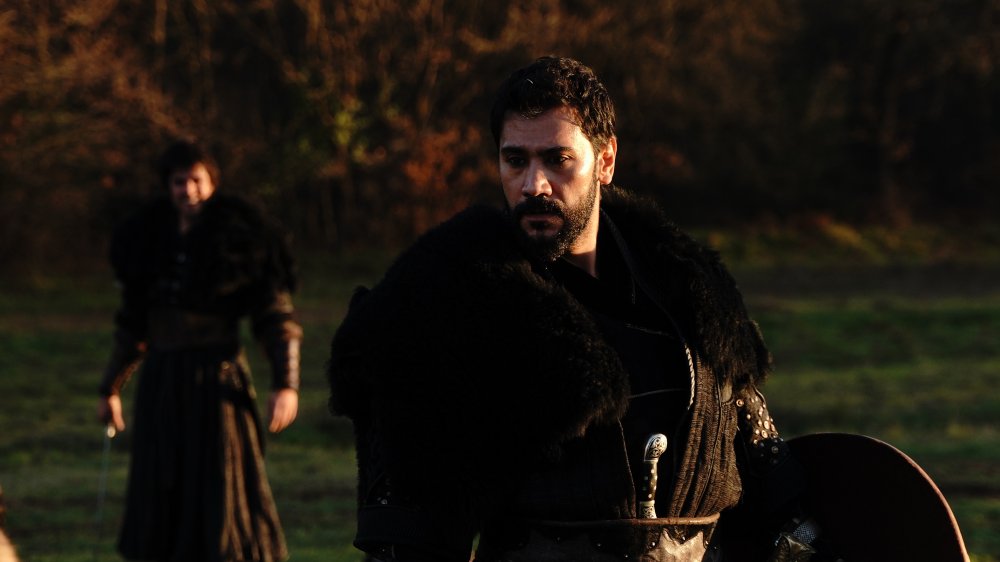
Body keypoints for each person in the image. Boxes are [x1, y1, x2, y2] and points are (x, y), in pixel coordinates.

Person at [327, 57, 819, 561]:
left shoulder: (687, 289)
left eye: (557, 159)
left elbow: (764, 460)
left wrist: (807, 535)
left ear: (605, 161)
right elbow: (404, 525)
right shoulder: (443, 303)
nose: (533, 185)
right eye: (515, 161)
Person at [97, 140, 302, 561]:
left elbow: (275, 317)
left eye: (196, 180)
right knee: (160, 493)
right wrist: (110, 388)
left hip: (216, 383)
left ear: (212, 183)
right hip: (162, 382)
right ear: (167, 186)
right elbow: (133, 326)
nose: (188, 190)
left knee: (219, 491)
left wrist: (286, 384)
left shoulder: (241, 238)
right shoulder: (147, 237)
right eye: (179, 182)